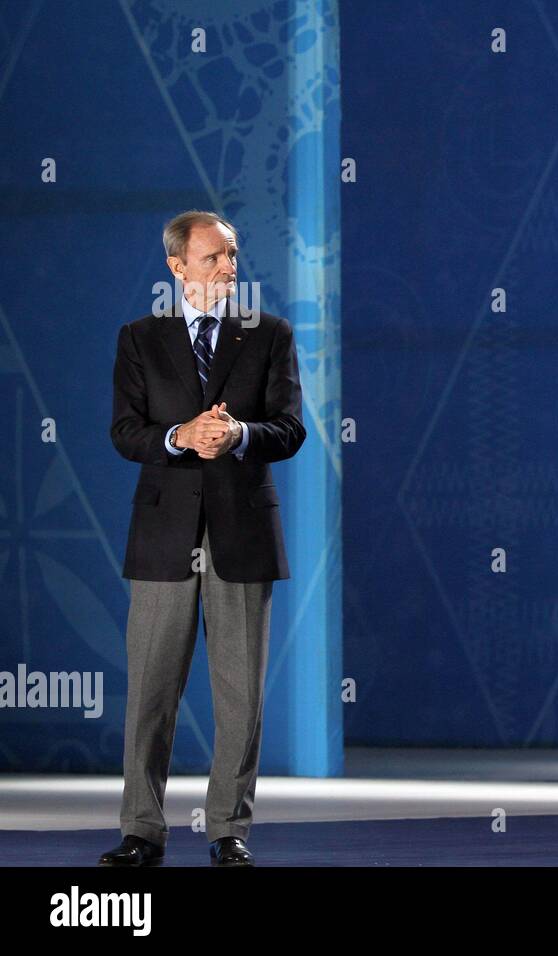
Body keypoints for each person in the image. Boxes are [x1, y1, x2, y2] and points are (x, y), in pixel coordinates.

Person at [100, 210, 306, 865]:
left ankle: (228, 830)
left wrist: (239, 435)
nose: (228, 268)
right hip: (163, 536)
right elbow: (125, 432)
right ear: (177, 266)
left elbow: (291, 429)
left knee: (241, 696)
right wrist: (179, 437)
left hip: (241, 535)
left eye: (233, 255)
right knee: (151, 692)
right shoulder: (139, 338)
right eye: (214, 257)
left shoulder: (269, 334)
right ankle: (140, 830)